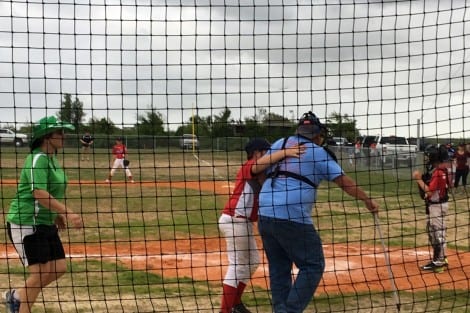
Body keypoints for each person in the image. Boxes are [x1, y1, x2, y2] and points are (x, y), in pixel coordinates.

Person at [257, 111, 379, 313]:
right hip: (291, 216)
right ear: (317, 135)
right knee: (313, 265)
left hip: (266, 213)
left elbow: (260, 170)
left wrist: (271, 195)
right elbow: (345, 183)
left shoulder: (280, 143)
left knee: (279, 268)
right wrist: (367, 200)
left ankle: (281, 309)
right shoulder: (317, 152)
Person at [3, 116, 84, 313]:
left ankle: (16, 296)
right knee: (39, 274)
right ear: (47, 137)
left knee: (58, 267)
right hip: (26, 222)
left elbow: (50, 190)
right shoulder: (37, 159)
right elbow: (38, 192)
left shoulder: (52, 158)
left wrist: (55, 214)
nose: (64, 136)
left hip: (45, 222)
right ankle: (20, 308)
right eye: (60, 132)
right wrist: (68, 212)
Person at [218, 138, 305, 313]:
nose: (269, 154)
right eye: (266, 151)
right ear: (256, 153)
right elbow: (260, 165)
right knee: (237, 266)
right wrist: (286, 152)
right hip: (235, 219)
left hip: (242, 222)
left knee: (252, 262)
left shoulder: (263, 171)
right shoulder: (250, 165)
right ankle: (225, 310)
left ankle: (235, 304)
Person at [413, 144, 450, 273]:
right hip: (440, 205)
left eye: (429, 156)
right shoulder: (443, 171)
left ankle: (439, 262)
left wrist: (418, 180)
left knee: (437, 233)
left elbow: (429, 192)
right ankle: (441, 258)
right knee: (436, 232)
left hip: (436, 206)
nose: (427, 158)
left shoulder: (438, 173)